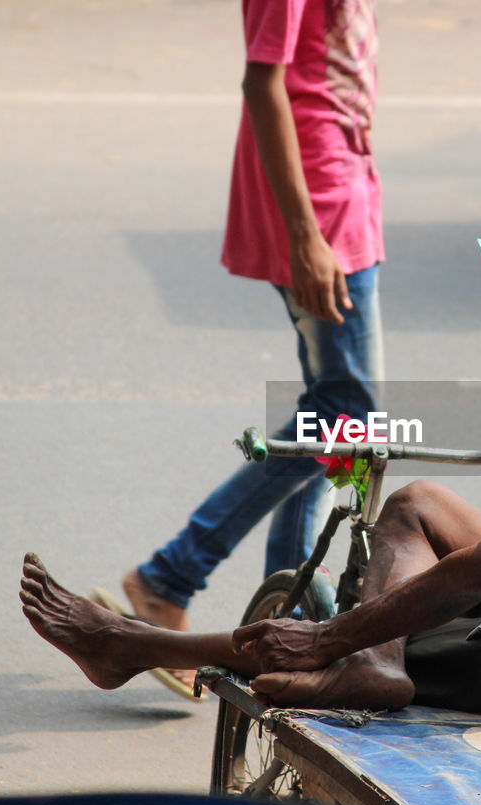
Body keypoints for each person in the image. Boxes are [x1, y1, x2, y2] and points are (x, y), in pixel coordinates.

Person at [25, 201, 481, 728]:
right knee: (419, 502)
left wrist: (334, 634)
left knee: (327, 650)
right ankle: (371, 662)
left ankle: (131, 644)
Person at [106, 0, 386, 695]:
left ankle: (285, 619)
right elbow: (263, 83)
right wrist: (304, 234)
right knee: (352, 418)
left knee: (333, 413)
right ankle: (171, 573)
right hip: (318, 209)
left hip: (345, 195)